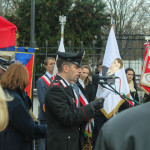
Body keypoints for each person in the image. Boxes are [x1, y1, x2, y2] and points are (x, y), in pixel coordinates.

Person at [45, 50, 105, 150]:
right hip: (61, 145)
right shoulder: (56, 89)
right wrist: (90, 107)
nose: (80, 71)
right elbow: (67, 117)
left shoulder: (67, 87)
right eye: (77, 67)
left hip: (71, 143)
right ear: (65, 68)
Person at [0, 62, 47, 150]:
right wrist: (50, 130)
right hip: (14, 144)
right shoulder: (14, 99)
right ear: (22, 78)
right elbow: (29, 128)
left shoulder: (4, 94)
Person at [36, 57, 55, 150]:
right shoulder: (41, 81)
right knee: (43, 142)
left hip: (56, 116)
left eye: (55, 64)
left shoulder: (56, 79)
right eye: (51, 64)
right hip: (46, 116)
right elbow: (42, 100)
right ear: (45, 66)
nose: (53, 66)